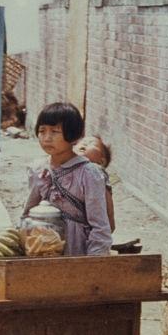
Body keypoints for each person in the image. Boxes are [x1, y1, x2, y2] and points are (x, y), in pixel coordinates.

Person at [22, 102, 112, 256]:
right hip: (44, 248)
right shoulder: (39, 169)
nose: (47, 138)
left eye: (55, 131)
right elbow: (28, 213)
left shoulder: (89, 173)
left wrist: (93, 262)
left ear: (72, 135)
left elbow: (100, 226)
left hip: (78, 250)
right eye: (42, 131)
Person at [74, 135, 116, 233]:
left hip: (90, 228)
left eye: (91, 143)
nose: (85, 144)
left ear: (101, 161)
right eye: (82, 142)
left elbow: (108, 202)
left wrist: (109, 224)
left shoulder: (97, 172)